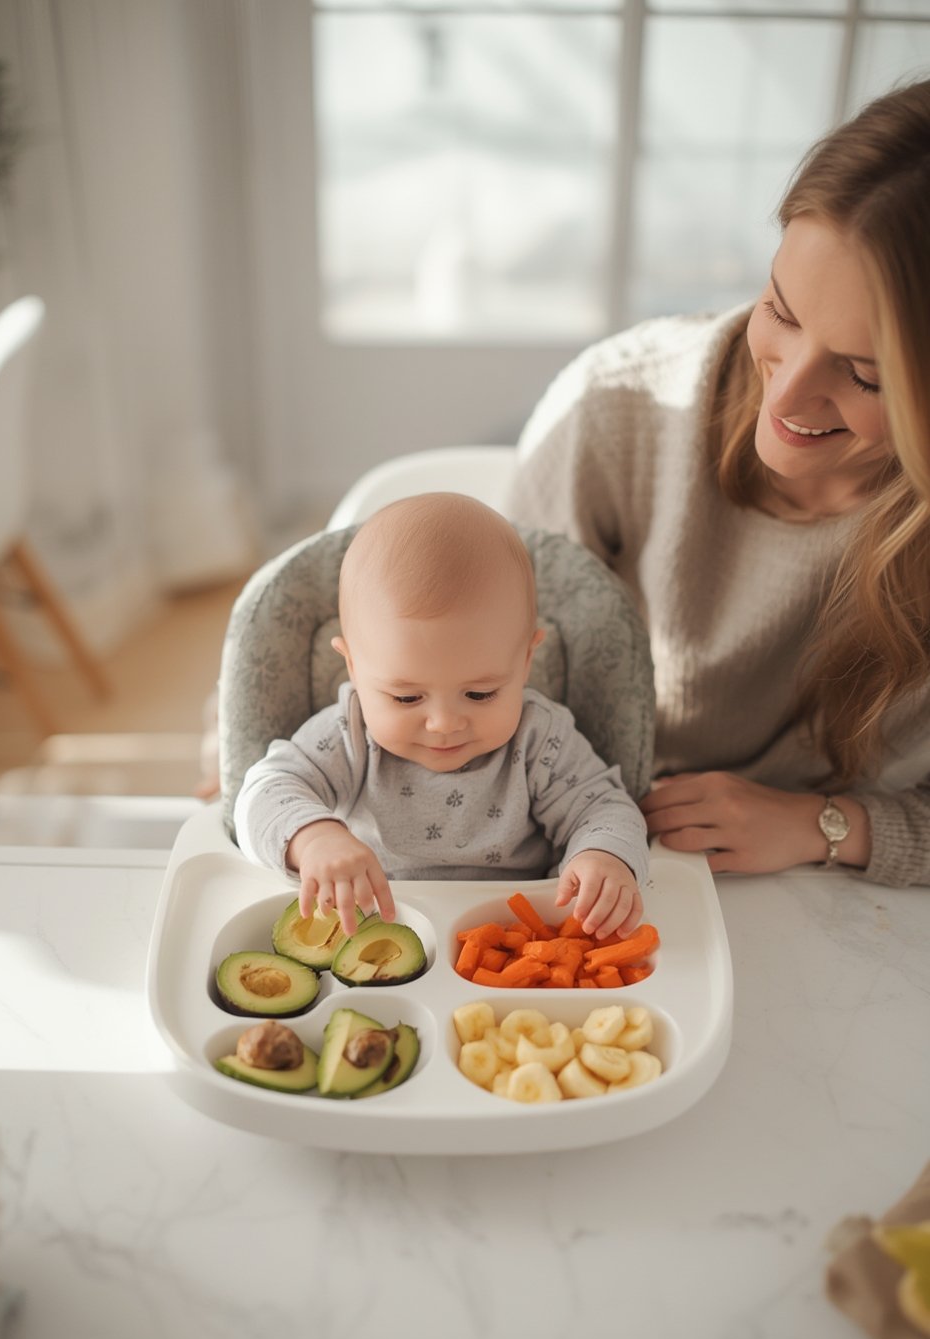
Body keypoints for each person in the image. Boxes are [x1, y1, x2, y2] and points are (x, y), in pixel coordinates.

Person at [505, 77, 930, 888]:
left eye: (865, 375)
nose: (788, 395)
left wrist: (825, 824)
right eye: (782, 310)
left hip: (829, 893)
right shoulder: (618, 406)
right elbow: (471, 684)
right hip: (581, 846)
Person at [233, 492, 649, 935]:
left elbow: (603, 807)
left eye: (480, 693)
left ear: (526, 661)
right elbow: (263, 792)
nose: (444, 724)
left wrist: (603, 857)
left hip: (517, 937)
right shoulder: (347, 734)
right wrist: (314, 839)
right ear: (352, 667)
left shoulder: (539, 739)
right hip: (372, 930)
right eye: (407, 698)